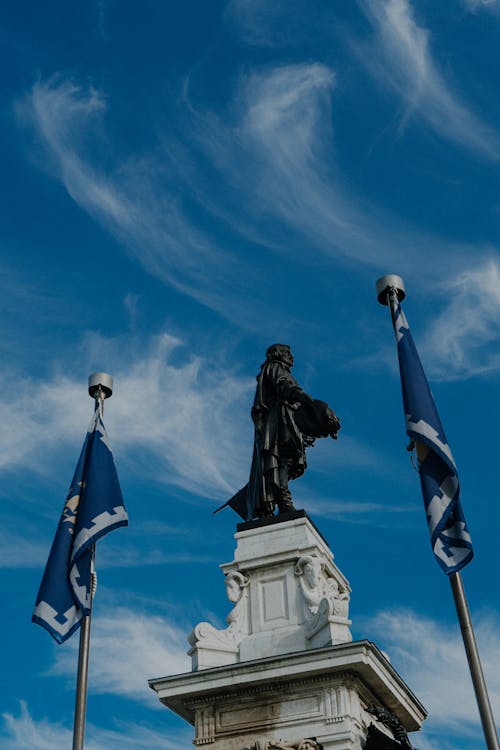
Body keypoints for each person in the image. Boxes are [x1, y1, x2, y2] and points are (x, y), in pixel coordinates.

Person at [218, 344, 340, 521]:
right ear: (277, 354)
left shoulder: (277, 369)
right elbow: (284, 386)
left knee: (280, 462)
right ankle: (283, 502)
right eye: (287, 353)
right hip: (278, 422)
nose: (291, 357)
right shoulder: (274, 367)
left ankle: (271, 504)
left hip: (284, 420)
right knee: (279, 459)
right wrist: (302, 397)